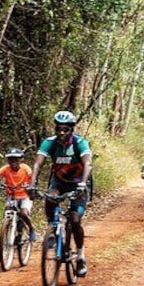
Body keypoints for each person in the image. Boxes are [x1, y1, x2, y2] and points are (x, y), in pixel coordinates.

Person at [28, 110, 92, 277]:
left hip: (79, 182)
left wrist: (83, 184)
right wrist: (32, 184)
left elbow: (88, 164)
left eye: (65, 129)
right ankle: (53, 230)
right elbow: (37, 164)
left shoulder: (80, 143)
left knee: (75, 220)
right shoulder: (50, 142)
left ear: (72, 130)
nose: (61, 133)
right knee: (49, 198)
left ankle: (80, 257)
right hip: (59, 182)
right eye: (58, 129)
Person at [0, 148, 37, 242]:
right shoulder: (6, 168)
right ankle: (8, 229)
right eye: (10, 159)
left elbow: (33, 178)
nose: (13, 161)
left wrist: (31, 185)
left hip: (24, 195)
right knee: (7, 210)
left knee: (23, 213)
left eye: (16, 159)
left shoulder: (26, 168)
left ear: (21, 159)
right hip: (12, 195)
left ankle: (31, 229)